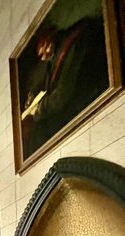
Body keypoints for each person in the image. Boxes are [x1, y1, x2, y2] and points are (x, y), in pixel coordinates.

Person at [22, 16, 109, 159]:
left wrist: (37, 110)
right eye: (40, 54)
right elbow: (47, 83)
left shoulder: (71, 45)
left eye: (43, 48)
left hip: (86, 107)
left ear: (49, 37)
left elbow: (62, 96)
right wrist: (33, 97)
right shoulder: (55, 53)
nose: (42, 56)